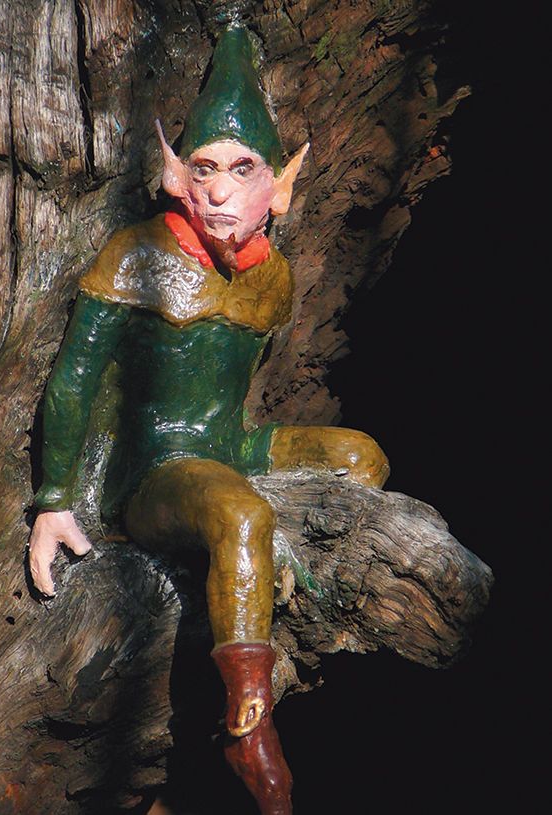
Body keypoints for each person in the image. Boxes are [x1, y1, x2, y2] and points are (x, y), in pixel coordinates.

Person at [28, 26, 389, 815]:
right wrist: (54, 498)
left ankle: (271, 590)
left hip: (226, 446)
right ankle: (248, 725)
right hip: (153, 470)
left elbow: (237, 396)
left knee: (360, 459)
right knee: (239, 512)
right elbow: (74, 379)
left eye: (242, 169)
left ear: (279, 186)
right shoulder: (135, 253)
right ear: (174, 175)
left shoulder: (274, 278)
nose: (221, 193)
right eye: (203, 169)